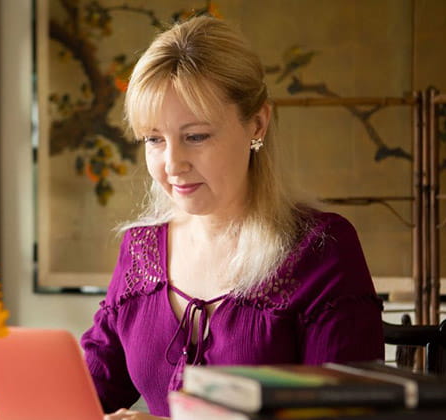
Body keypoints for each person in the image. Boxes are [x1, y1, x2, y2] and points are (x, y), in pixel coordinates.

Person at [80, 16, 385, 420]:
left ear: (257, 123)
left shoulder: (322, 249)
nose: (172, 164)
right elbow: (84, 393)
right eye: (154, 139)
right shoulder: (141, 252)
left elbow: (345, 416)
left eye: (196, 136)